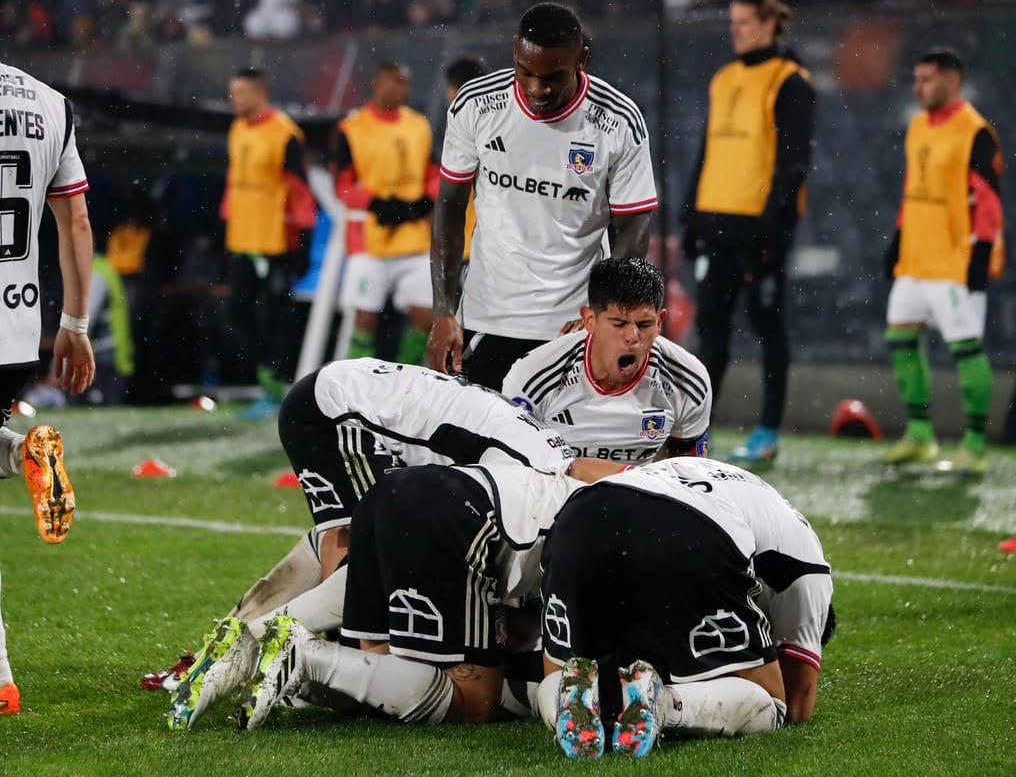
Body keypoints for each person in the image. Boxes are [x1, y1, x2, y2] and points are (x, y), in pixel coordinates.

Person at [169, 460, 622, 730]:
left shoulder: (617, 490)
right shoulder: (610, 526)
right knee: (476, 701)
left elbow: (580, 468)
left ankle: (248, 643)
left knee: (382, 663)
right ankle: (303, 659)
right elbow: (556, 672)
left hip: (397, 490)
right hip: (458, 516)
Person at [537, 457, 834, 759]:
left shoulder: (714, 475)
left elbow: (585, 467)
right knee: (774, 702)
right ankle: (662, 704)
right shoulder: (811, 572)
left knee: (561, 670)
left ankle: (567, 698)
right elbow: (798, 705)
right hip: (689, 529)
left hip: (580, 516)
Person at [428, 1, 658, 390]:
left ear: (582, 57)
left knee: (564, 449)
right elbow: (449, 210)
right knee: (480, 446)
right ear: (515, 50)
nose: (537, 88)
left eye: (552, 76)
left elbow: (633, 230)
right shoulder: (476, 105)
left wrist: (600, 316)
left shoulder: (618, 122)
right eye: (525, 72)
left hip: (571, 328)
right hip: (487, 319)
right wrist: (443, 311)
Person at [681, 0, 815, 466]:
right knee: (711, 329)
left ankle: (768, 430)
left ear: (767, 24)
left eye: (743, 23)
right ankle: (699, 432)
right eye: (733, 22)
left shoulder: (791, 81)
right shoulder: (723, 78)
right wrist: (690, 216)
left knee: (767, 327)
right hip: (716, 223)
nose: (735, 31)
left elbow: (792, 164)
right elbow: (708, 150)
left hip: (759, 230)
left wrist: (774, 234)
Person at [0, 60, 97, 714]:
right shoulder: (50, 103)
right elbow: (76, 224)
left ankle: (1, 677)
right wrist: (76, 324)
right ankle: (19, 453)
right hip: (15, 325)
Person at [880, 49, 1004, 475]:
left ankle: (974, 444)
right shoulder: (916, 127)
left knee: (966, 350)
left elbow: (988, 199)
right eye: (916, 79)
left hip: (954, 262)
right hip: (915, 259)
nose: (918, 88)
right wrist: (898, 238)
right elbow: (913, 188)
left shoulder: (976, 132)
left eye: (927, 79)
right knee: (900, 340)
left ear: (952, 81)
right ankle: (920, 435)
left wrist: (982, 254)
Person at [503, 258, 711, 464]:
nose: (632, 336)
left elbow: (688, 479)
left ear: (659, 323)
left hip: (638, 495)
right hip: (555, 492)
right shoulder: (533, 377)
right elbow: (516, 474)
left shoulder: (687, 381)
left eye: (645, 324)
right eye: (619, 324)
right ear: (590, 321)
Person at [222, 66, 315, 420]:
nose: (235, 100)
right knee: (239, 311)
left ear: (261, 94)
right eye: (233, 93)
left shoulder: (285, 133)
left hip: (276, 241)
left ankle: (279, 386)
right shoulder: (238, 128)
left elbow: (300, 189)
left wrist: (302, 238)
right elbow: (236, 182)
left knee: (279, 317)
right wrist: (226, 225)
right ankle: (269, 378)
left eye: (241, 93)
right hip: (244, 239)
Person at [333, 61, 435, 364]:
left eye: (405, 83)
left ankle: (407, 379)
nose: (402, 89)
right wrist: (377, 204)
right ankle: (356, 388)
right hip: (368, 239)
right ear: (378, 83)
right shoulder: (352, 128)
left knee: (427, 318)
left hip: (414, 236)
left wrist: (422, 203)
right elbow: (343, 183)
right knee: (365, 317)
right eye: (396, 82)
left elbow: (434, 173)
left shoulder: (419, 124)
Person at [440, 55, 487, 265]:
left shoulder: (460, 127)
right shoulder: (500, 123)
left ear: (454, 89)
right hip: (498, 242)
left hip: (468, 240)